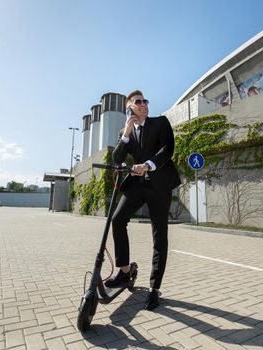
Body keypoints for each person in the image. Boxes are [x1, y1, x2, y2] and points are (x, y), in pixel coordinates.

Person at [104, 90, 181, 311]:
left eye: (145, 101)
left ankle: (154, 289)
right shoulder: (125, 132)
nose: (144, 104)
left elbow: (168, 150)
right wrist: (126, 133)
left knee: (159, 237)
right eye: (138, 102)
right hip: (137, 185)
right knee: (118, 220)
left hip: (159, 186)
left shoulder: (160, 123)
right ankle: (125, 272)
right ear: (129, 108)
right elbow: (117, 158)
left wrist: (147, 164)